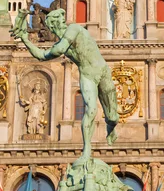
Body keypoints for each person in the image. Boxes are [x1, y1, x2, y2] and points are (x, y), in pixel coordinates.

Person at [11, 8, 119, 163]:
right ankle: (87, 150)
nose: (56, 26)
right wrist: (25, 39)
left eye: (55, 23)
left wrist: (50, 49)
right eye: (54, 24)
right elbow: (41, 56)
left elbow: (57, 50)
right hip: (87, 75)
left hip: (102, 71)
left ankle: (111, 127)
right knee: (91, 109)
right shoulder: (61, 43)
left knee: (113, 117)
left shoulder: (73, 29)